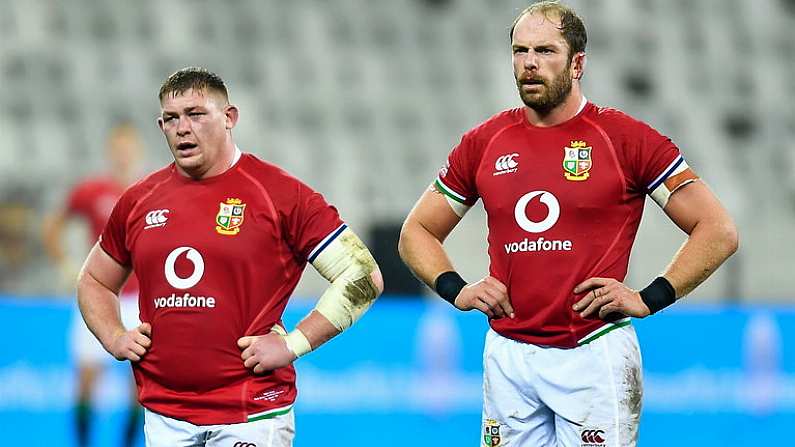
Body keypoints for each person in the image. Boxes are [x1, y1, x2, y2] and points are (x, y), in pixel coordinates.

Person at [398, 2, 738, 446]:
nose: (530, 64)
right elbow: (416, 232)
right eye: (520, 51)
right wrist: (456, 288)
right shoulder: (485, 142)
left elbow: (717, 229)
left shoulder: (626, 140)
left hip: (592, 354)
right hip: (508, 355)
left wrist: (649, 297)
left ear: (578, 63)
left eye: (545, 50)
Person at [76, 67, 383, 446]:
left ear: (229, 118)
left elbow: (362, 274)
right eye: (171, 119)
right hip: (164, 415)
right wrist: (113, 336)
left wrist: (293, 344)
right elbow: (94, 280)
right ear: (161, 126)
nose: (182, 128)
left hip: (251, 412)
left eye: (196, 114)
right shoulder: (139, 200)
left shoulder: (279, 194)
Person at [42, 123, 144, 447]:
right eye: (118, 148)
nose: (123, 154)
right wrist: (65, 264)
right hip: (99, 296)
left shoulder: (150, 191)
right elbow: (54, 225)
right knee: (87, 380)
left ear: (136, 152)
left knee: (139, 387)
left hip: (138, 301)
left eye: (128, 148)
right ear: (110, 152)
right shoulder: (93, 191)